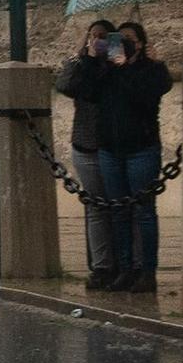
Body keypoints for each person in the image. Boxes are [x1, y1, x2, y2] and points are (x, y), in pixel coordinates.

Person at [78, 20, 172, 293]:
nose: (124, 43)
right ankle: (124, 268)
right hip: (110, 149)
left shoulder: (152, 71)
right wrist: (91, 60)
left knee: (144, 212)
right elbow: (87, 94)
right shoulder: (105, 70)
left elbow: (144, 98)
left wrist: (126, 67)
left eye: (130, 39)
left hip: (141, 149)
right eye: (119, 38)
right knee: (118, 211)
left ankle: (147, 271)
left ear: (141, 44)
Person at [54, 20, 119, 289]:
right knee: (96, 208)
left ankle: (123, 264)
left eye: (104, 37)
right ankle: (101, 266)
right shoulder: (80, 64)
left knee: (120, 207)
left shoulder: (118, 65)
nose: (98, 41)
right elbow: (66, 86)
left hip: (115, 145)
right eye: (93, 36)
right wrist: (87, 59)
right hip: (87, 145)